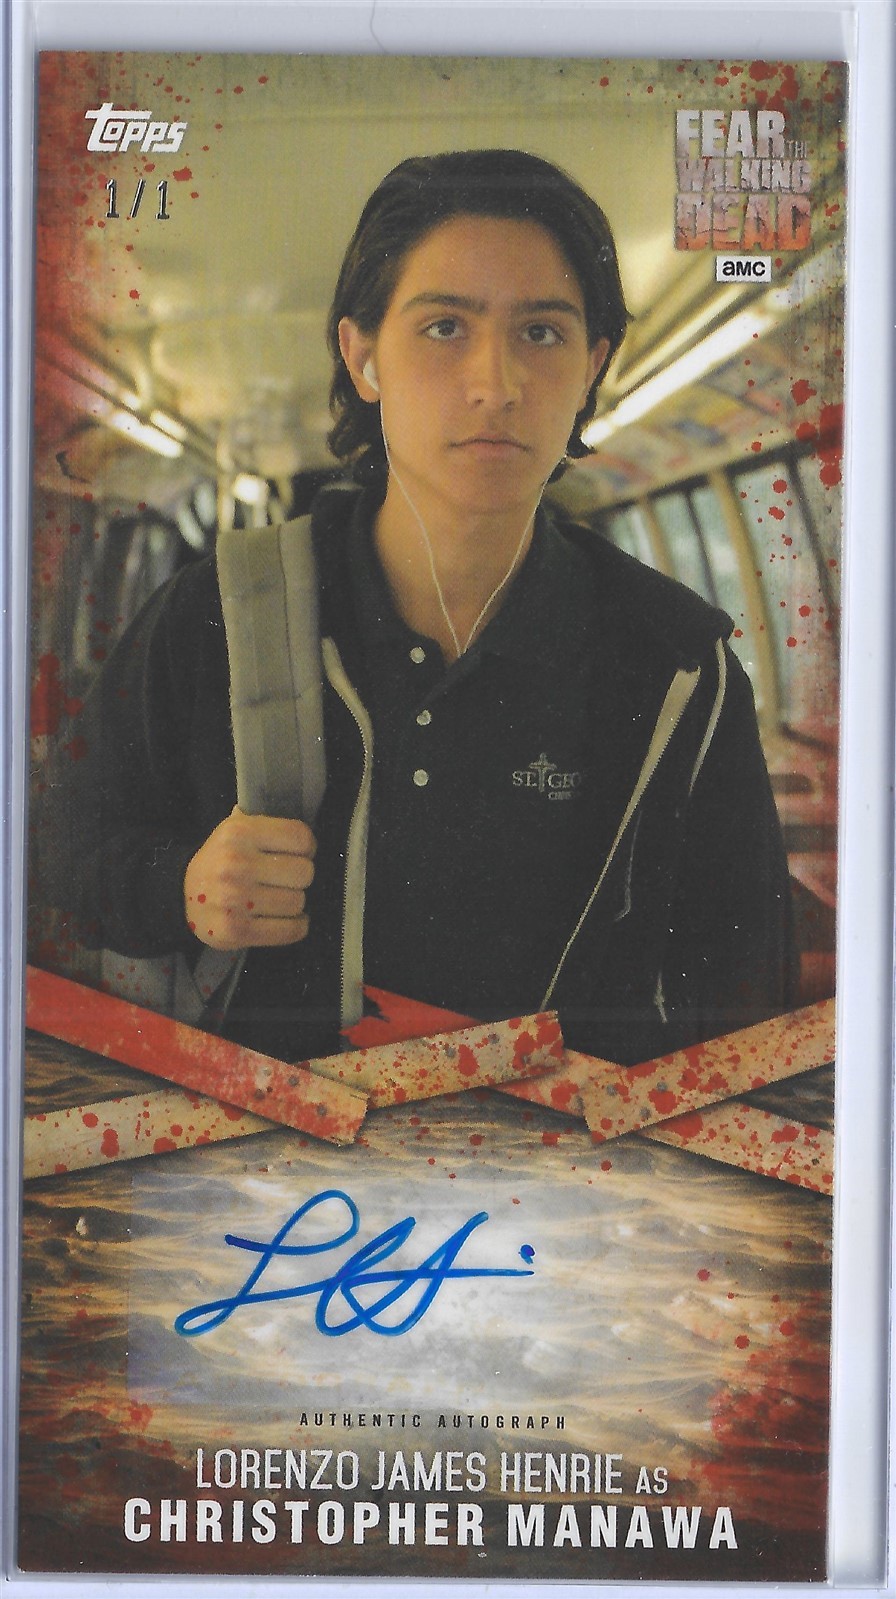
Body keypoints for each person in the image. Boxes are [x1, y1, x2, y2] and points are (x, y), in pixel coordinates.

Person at [42, 149, 795, 1066]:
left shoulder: (677, 667)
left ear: (592, 367)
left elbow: (745, 999)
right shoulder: (217, 617)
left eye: (542, 333)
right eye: (445, 327)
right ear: (362, 357)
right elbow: (53, 847)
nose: (496, 383)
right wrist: (180, 885)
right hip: (269, 1142)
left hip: (562, 1151)